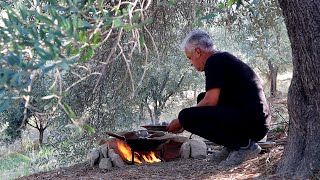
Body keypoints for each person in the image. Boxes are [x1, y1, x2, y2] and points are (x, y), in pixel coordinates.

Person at [166, 30, 271, 167]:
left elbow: (211, 101)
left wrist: (182, 121)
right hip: (256, 121)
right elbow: (210, 99)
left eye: (189, 58)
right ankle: (233, 145)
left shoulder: (214, 61)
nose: (190, 63)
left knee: (186, 115)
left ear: (198, 52)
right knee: (201, 98)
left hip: (252, 122)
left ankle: (244, 146)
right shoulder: (221, 58)